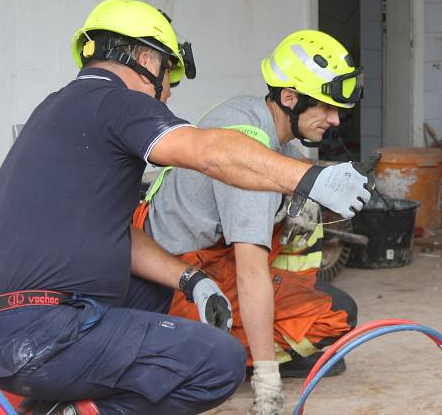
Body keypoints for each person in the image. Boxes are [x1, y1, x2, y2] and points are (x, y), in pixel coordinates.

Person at [0, 0, 371, 415]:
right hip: (50, 334)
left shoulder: (56, 107)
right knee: (217, 361)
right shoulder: (120, 104)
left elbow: (114, 232)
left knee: (165, 297)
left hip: (11, 333)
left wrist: (191, 280)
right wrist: (311, 178)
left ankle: (45, 403)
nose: (168, 92)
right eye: (169, 74)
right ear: (147, 58)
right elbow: (208, 151)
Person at [132, 30, 362, 415]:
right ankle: (235, 359)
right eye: (324, 107)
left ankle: (238, 348)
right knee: (330, 317)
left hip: (201, 263)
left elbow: (294, 171)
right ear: (290, 98)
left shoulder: (256, 116)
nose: (334, 120)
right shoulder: (249, 159)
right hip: (174, 283)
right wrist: (268, 385)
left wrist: (326, 180)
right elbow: (251, 274)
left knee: (336, 305)